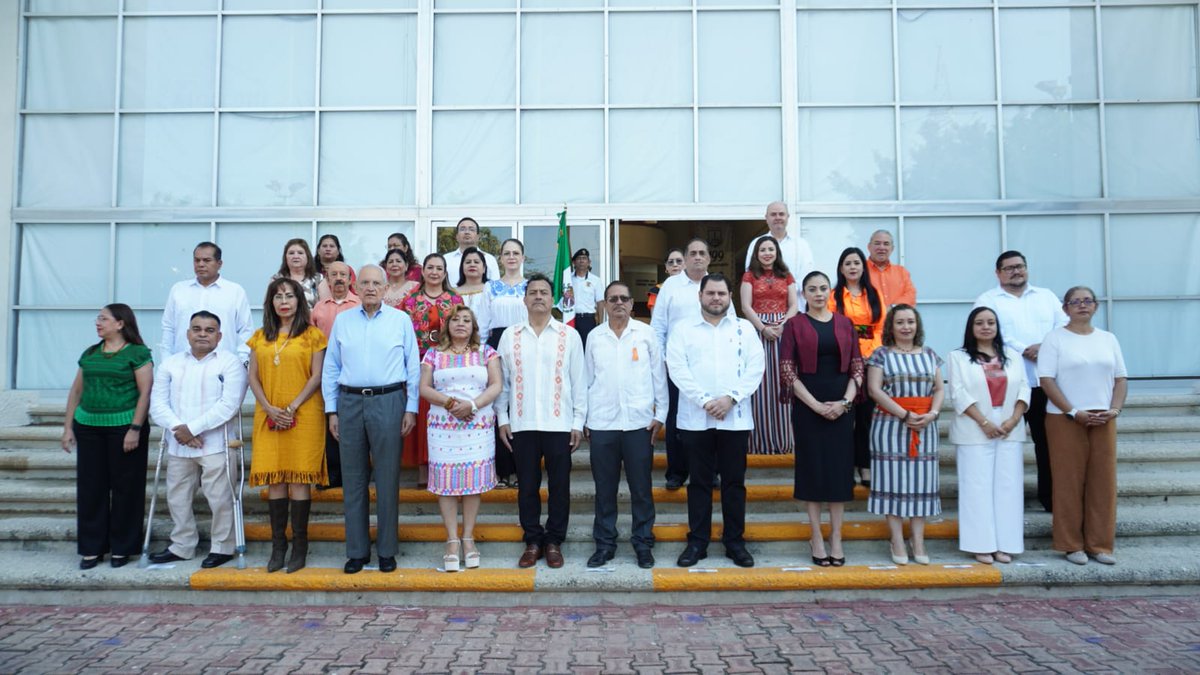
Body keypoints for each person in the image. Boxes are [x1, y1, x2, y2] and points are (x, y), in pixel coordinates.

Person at [322, 265, 420, 574]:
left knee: (388, 479)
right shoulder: (343, 321)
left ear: (385, 288)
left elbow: (413, 366)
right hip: (349, 402)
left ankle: (387, 550)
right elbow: (331, 367)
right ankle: (357, 551)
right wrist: (332, 410)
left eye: (376, 283)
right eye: (364, 282)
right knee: (353, 480)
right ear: (356, 286)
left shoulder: (400, 320)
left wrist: (411, 407)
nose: (370, 288)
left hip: (389, 400)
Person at [668, 273, 765, 568]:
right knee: (698, 483)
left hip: (734, 419)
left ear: (730, 297)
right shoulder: (683, 330)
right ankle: (697, 542)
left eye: (721, 293)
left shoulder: (744, 329)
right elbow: (677, 368)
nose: (716, 298)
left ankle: (735, 542)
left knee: (734, 483)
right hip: (695, 419)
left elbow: (756, 367)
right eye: (710, 293)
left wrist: (730, 399)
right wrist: (705, 401)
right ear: (700, 296)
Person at [495, 274, 587, 570]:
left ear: (552, 299)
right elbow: (503, 382)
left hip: (559, 424)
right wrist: (502, 418)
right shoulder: (510, 336)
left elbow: (579, 381)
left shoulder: (569, 335)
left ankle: (554, 541)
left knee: (560, 486)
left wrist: (578, 421)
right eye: (532, 292)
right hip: (522, 423)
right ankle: (533, 540)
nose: (538, 296)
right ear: (524, 299)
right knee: (527, 486)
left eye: (544, 292)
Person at [147, 311, 248, 569]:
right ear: (188, 333)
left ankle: (222, 547)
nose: (202, 334)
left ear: (220, 336)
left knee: (220, 498)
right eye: (197, 329)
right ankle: (182, 545)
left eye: (209, 330)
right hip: (179, 444)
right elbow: (158, 404)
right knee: (177, 497)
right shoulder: (171, 364)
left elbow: (229, 405)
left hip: (216, 444)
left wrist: (191, 429)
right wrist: (179, 429)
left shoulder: (230, 363)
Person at [1038, 286, 1127, 566]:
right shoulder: (1054, 339)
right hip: (1065, 418)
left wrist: (1115, 409)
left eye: (1087, 300)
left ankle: (1100, 545)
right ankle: (1071, 544)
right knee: (1068, 481)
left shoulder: (1108, 339)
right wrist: (1073, 411)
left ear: (1096, 306)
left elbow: (1120, 379)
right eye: (1075, 302)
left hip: (1103, 417)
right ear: (1065, 308)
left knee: (1103, 482)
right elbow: (1046, 380)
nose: (1082, 305)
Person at [61, 304, 153, 570]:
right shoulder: (90, 353)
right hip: (88, 426)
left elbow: (145, 393)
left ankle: (123, 547)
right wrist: (68, 428)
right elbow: (76, 391)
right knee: (91, 488)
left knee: (127, 488)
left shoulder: (138, 353)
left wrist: (135, 428)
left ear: (121, 323)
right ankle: (92, 548)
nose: (98, 323)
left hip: (124, 428)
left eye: (103, 318)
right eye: (98, 318)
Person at [975, 251, 1068, 512]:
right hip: (1007, 384)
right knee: (1004, 442)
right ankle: (1003, 499)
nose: (1016, 271)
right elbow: (986, 332)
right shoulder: (987, 300)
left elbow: (1064, 326)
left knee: (1048, 443)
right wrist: (1024, 349)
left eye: (1020, 266)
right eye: (1009, 268)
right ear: (998, 273)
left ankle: (1050, 499)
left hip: (1046, 383)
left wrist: (1044, 346)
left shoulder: (1046, 296)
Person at [780, 272, 862, 567]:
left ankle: (836, 536)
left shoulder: (845, 323)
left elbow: (857, 367)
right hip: (807, 407)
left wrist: (845, 403)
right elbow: (787, 370)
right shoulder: (794, 325)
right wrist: (815, 405)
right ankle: (816, 535)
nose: (818, 293)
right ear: (803, 294)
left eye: (823, 288)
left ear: (830, 291)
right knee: (812, 471)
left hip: (841, 407)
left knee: (839, 473)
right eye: (812, 289)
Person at [246, 278, 328, 573]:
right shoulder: (259, 337)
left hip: (303, 414)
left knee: (298, 479)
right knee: (276, 479)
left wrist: (292, 407)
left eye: (289, 296)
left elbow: (317, 376)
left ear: (299, 301)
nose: (284, 302)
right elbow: (252, 377)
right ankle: (278, 546)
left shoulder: (313, 335)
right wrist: (269, 408)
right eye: (278, 296)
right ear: (270, 302)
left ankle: (299, 547)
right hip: (268, 414)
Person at [584, 281, 668, 569]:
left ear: (632, 304)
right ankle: (604, 545)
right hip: (602, 423)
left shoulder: (646, 334)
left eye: (624, 298)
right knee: (604, 489)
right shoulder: (594, 337)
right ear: (605, 304)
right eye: (613, 299)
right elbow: (586, 380)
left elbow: (659, 377)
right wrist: (584, 419)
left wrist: (661, 414)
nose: (618, 303)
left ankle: (643, 543)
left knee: (641, 489)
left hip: (639, 424)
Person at [418, 306, 502, 572]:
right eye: (455, 319)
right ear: (447, 325)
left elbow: (496, 385)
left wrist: (472, 405)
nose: (461, 323)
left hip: (477, 424)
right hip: (443, 426)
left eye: (467, 320)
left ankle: (468, 537)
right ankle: (452, 540)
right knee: (446, 482)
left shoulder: (486, 352)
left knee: (472, 482)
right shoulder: (433, 354)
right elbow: (424, 388)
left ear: (474, 326)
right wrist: (451, 403)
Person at [947, 307, 1030, 565]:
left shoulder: (1013, 356)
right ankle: (980, 544)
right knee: (976, 487)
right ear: (971, 328)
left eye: (991, 322)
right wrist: (984, 422)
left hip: (1009, 426)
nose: (986, 327)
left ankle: (1007, 544)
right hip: (974, 426)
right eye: (980, 323)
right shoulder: (958, 357)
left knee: (1009, 487)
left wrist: (1014, 419)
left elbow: (1024, 389)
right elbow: (958, 393)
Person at [650, 238, 733, 490]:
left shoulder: (716, 285)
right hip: (676, 367)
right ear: (685, 259)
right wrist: (662, 361)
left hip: (711, 366)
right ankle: (677, 472)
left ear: (708, 258)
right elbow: (658, 327)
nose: (697, 257)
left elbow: (731, 325)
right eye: (693, 253)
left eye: (702, 253)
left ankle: (711, 471)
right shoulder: (670, 286)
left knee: (712, 419)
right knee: (676, 421)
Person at [865, 305, 944, 566]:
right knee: (892, 481)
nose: (906, 327)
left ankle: (918, 540)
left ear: (917, 325)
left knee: (922, 482)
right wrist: (904, 415)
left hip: (925, 425)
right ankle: (897, 539)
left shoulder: (930, 354)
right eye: (900, 322)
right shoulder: (881, 355)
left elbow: (939, 389)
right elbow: (875, 390)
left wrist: (932, 414)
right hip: (890, 425)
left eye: (910, 321)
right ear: (891, 326)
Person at [400, 253, 464, 486]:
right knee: (422, 413)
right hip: (419, 363)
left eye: (439, 268)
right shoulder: (410, 301)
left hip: (448, 363)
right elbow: (402, 333)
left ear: (445, 273)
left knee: (447, 412)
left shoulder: (455, 300)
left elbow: (463, 329)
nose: (434, 272)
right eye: (430, 267)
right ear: (423, 271)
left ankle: (446, 465)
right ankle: (422, 469)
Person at [740, 235, 798, 455]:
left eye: (770, 249)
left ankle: (784, 441)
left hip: (783, 330)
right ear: (757, 253)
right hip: (757, 331)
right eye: (763, 249)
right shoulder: (749, 275)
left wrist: (782, 325)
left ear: (777, 253)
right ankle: (759, 443)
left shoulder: (787, 275)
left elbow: (793, 305)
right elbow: (746, 306)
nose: (767, 253)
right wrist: (763, 328)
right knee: (760, 384)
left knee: (784, 381)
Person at [833, 246, 884, 489]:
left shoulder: (874, 295)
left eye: (856, 263)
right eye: (848, 263)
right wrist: (852, 354)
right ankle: (844, 467)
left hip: (871, 362)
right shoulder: (833, 296)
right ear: (841, 269)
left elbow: (880, 328)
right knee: (845, 418)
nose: (852, 267)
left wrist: (869, 355)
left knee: (866, 417)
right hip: (842, 362)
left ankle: (865, 465)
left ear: (863, 267)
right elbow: (833, 328)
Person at [481, 238, 528, 488]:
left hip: (525, 344)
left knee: (521, 403)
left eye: (515, 253)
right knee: (499, 403)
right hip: (496, 344)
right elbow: (482, 324)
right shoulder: (490, 287)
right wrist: (482, 354)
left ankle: (522, 469)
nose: (511, 257)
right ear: (500, 258)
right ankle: (501, 470)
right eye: (507, 253)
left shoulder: (531, 286)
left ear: (523, 258)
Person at [310, 261, 361, 490]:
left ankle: (357, 472)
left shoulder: (359, 304)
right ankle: (332, 473)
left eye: (343, 274)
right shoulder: (318, 308)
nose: (339, 278)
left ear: (350, 279)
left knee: (354, 423)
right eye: (334, 275)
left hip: (354, 371)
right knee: (330, 421)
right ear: (327, 280)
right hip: (326, 371)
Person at [161, 242, 253, 364]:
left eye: (207, 260)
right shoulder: (178, 290)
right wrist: (166, 360)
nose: (201, 264)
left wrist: (242, 361)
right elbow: (168, 328)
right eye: (197, 260)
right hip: (182, 364)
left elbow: (245, 330)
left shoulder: (235, 291)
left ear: (219, 264)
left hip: (223, 365)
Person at [743, 202, 814, 309]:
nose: (778, 217)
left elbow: (807, 279)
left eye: (781, 214)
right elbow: (751, 276)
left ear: (788, 216)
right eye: (773, 214)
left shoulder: (801, 245)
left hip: (797, 309)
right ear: (766, 218)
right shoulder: (756, 244)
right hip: (762, 312)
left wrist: (781, 290)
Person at [270, 238, 329, 309]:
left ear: (307, 257)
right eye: (291, 253)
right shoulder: (276, 279)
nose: (296, 256)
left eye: (300, 253)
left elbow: (327, 308)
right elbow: (269, 306)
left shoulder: (319, 279)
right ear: (285, 257)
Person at [563, 248, 604, 347]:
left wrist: (601, 323)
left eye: (584, 258)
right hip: (570, 318)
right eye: (579, 258)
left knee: (587, 348)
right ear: (574, 262)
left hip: (588, 320)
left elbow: (600, 302)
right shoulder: (567, 279)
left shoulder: (595, 280)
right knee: (570, 347)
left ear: (589, 262)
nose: (581, 261)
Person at [866, 230, 916, 308]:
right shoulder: (860, 271)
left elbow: (910, 296)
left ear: (892, 248)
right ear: (869, 247)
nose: (881, 247)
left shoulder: (901, 272)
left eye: (886, 244)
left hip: (896, 315)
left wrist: (892, 308)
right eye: (877, 243)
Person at [443, 217, 501, 281]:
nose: (467, 232)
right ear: (457, 236)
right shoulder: (446, 259)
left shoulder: (489, 259)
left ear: (478, 236)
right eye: (462, 229)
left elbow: (495, 284)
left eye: (471, 229)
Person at [454, 247, 491, 338]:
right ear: (462, 268)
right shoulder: (452, 293)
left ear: (484, 268)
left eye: (476, 262)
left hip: (486, 340)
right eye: (468, 262)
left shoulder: (491, 290)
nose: (472, 264)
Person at [646, 247, 684, 314]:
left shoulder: (696, 288)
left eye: (679, 261)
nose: (675, 264)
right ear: (666, 266)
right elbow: (656, 318)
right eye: (671, 262)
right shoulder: (657, 291)